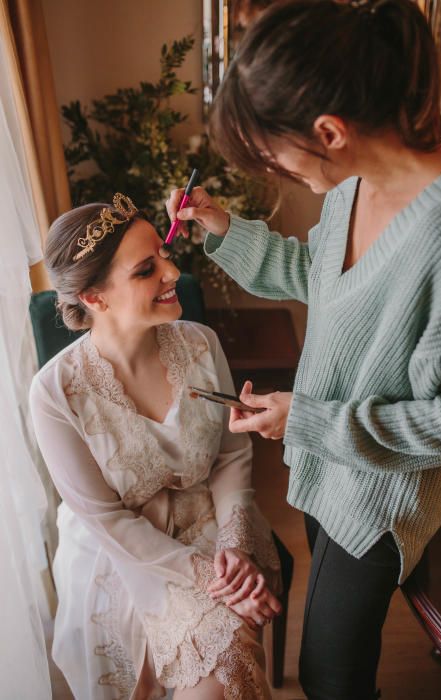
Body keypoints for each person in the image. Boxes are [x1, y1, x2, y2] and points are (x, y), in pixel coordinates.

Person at [165, 1, 441, 698]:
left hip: (378, 495)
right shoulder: (350, 188)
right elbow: (317, 277)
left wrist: (305, 419)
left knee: (332, 677)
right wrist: (221, 225)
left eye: (274, 152)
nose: (273, 167)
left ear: (328, 130)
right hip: (324, 466)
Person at [29, 194, 282, 700]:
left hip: (214, 523)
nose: (173, 272)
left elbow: (231, 454)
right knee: (225, 653)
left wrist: (232, 546)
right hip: (122, 556)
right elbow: (107, 520)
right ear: (95, 297)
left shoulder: (201, 344)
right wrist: (209, 576)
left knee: (231, 662)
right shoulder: (54, 393)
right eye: (148, 269)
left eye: (163, 255)